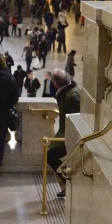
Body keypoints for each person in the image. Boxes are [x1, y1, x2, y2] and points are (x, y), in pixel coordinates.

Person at [46, 69, 80, 199]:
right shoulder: (68, 93)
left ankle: (70, 182)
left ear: (55, 83)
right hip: (65, 132)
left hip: (70, 135)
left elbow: (76, 119)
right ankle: (69, 181)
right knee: (52, 154)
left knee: (51, 155)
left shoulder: (72, 96)